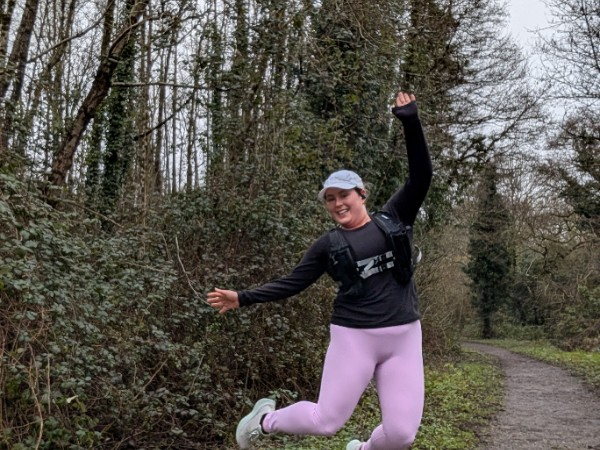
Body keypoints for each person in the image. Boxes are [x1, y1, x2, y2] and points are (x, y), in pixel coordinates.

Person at [207, 91, 432, 450]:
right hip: (355, 337)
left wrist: (410, 121)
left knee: (401, 435)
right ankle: (264, 421)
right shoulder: (329, 245)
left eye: (344, 195)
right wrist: (242, 298)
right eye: (330, 198)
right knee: (326, 421)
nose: (338, 203)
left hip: (403, 335)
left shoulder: (394, 218)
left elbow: (421, 175)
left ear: (362, 194)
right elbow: (292, 283)